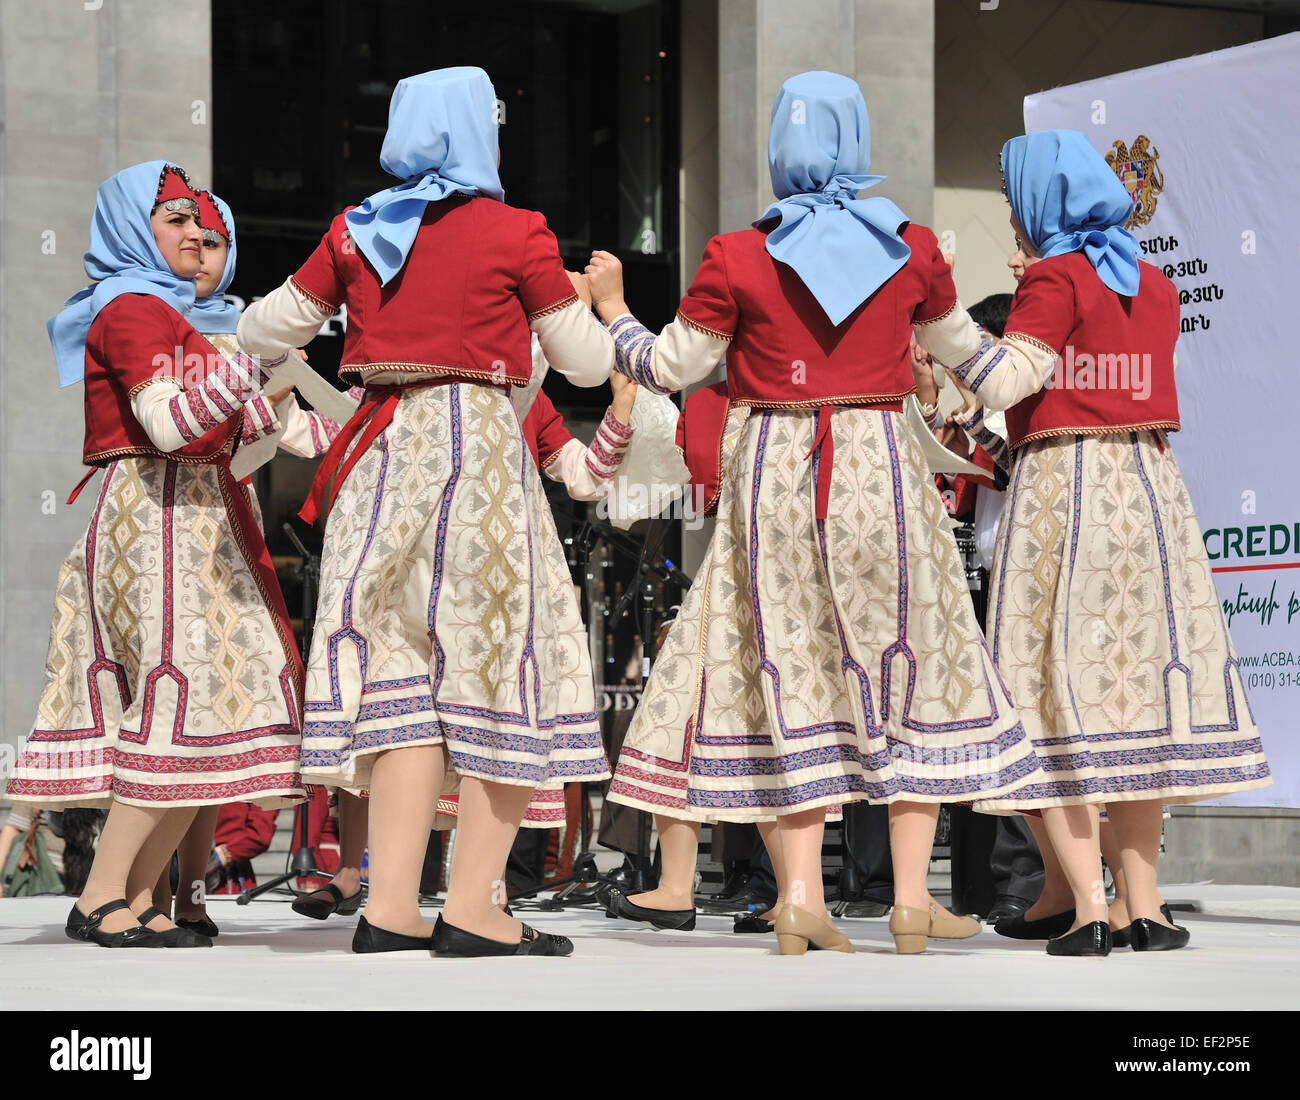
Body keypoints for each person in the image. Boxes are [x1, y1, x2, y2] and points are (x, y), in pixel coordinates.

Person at [586, 71, 1038, 956]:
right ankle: (911, 899)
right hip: (880, 471)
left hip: (774, 474)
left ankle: (799, 898)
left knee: (790, 670)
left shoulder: (736, 255)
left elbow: (671, 367)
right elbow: (980, 366)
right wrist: (1046, 353)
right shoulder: (911, 247)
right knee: (911, 665)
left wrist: (613, 316)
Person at [237, 67, 617, 957]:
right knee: (502, 672)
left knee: (399, 686)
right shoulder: (517, 231)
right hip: (478, 455)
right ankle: (476, 908)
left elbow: (262, 332)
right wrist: (598, 306)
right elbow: (590, 365)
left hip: (381, 454)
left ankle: (389, 907)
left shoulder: (355, 229)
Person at [933, 129, 1269, 955]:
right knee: (1137, 696)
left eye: (1016, 199)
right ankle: (1143, 904)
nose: (1013, 214)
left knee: (1046, 693)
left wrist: (945, 323)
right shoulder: (1152, 282)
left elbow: (1010, 381)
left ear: (1040, 202)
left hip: (1067, 495)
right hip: (1150, 493)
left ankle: (1087, 903)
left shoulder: (1055, 276)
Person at [4, 161, 305, 949]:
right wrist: (253, 366)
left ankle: (146, 899)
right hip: (159, 514)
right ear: (134, 227)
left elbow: (237, 444)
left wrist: (267, 404)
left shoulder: (175, 314)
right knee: (182, 706)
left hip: (200, 514)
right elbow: (168, 427)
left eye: (208, 233)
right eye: (175, 222)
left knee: (202, 715)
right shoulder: (131, 308)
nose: (196, 242)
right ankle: (102, 894)